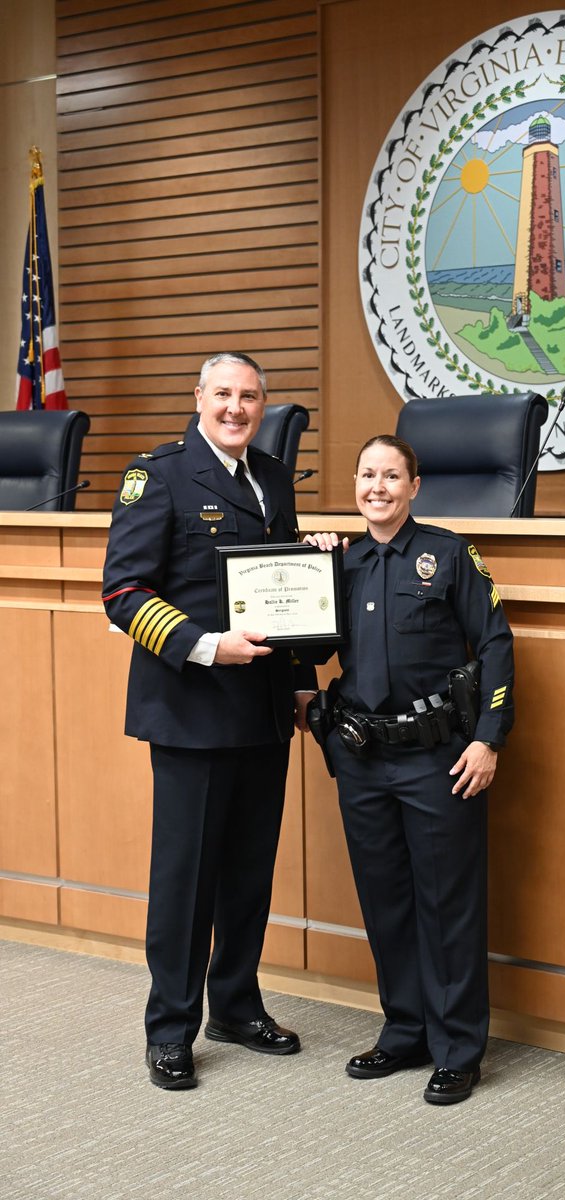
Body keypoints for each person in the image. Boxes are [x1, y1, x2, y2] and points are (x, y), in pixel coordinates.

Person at [102, 352, 317, 1090]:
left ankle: (235, 1004)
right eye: (223, 394)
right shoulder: (156, 475)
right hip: (191, 712)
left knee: (248, 875)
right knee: (186, 881)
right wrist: (203, 645)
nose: (237, 408)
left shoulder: (275, 478)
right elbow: (123, 593)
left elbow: (288, 597)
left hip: (261, 713)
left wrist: (300, 682)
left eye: (250, 396)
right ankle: (170, 1027)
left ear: (264, 405)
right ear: (198, 397)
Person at [306, 434, 514, 1105]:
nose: (377, 487)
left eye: (391, 476)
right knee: (386, 904)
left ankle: (457, 1048)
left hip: (438, 761)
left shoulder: (448, 554)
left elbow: (496, 645)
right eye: (366, 474)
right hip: (364, 760)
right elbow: (299, 639)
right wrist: (301, 565)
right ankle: (405, 1030)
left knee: (447, 906)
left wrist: (488, 739)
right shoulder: (342, 562)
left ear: (414, 486)